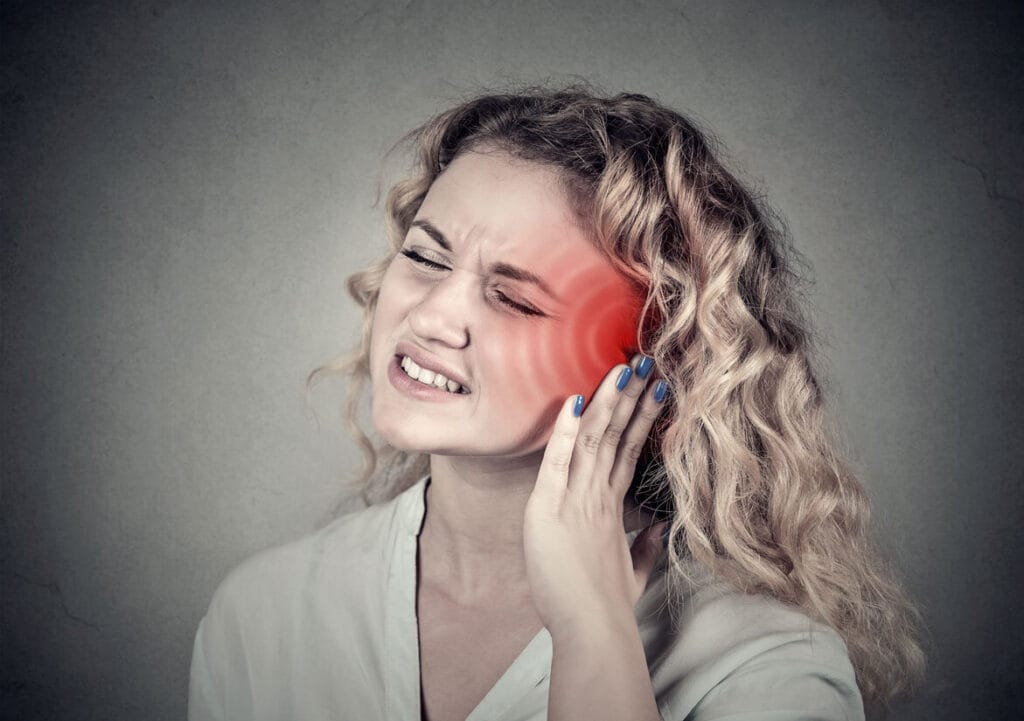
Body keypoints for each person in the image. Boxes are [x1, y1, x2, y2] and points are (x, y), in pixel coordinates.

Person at [188, 87, 925, 721]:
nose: (431, 316)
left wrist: (593, 632)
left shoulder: (764, 662)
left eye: (513, 296)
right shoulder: (264, 614)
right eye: (424, 256)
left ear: (656, 356)